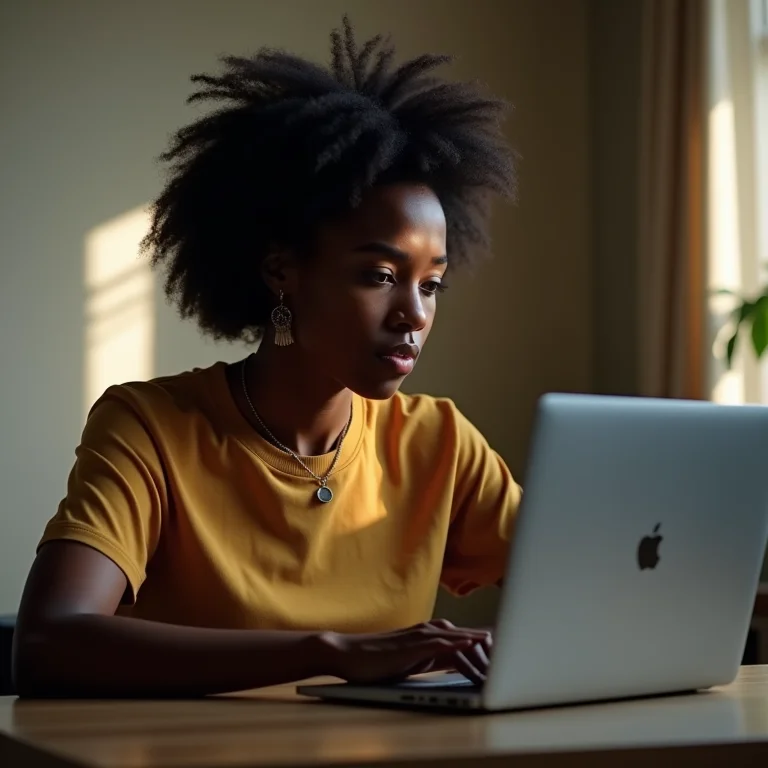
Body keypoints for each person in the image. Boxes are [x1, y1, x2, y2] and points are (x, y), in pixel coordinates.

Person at [12, 16, 521, 698]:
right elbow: (48, 643)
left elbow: (591, 589)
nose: (415, 314)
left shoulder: (440, 443)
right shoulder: (152, 427)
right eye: (379, 276)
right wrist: (329, 652)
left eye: (431, 284)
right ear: (282, 271)